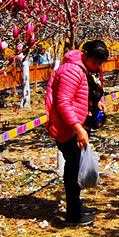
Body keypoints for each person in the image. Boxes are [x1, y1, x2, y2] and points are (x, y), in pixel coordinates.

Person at [45, 40, 110, 226]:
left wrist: (98, 101)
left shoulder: (88, 70)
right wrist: (77, 128)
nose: (98, 65)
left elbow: (89, 90)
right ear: (85, 55)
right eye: (95, 61)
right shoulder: (71, 71)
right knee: (73, 170)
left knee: (76, 166)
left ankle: (77, 206)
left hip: (80, 126)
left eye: (100, 62)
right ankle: (73, 215)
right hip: (68, 129)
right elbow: (63, 103)